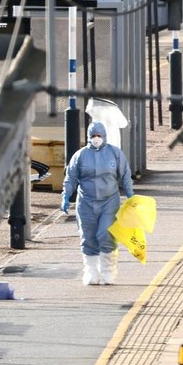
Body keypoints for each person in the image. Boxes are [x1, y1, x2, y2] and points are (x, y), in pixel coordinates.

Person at [61, 122, 134, 285]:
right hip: (86, 202)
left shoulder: (115, 154)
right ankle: (91, 271)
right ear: (88, 137)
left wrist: (131, 196)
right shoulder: (80, 156)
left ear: (104, 136)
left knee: (106, 233)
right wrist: (65, 195)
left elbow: (125, 176)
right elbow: (71, 177)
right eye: (93, 136)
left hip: (109, 202)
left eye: (99, 136)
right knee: (88, 237)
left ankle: (109, 270)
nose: (96, 139)